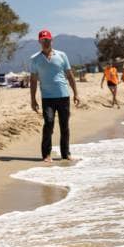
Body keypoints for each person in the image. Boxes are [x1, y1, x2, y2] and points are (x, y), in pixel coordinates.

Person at [29, 29, 80, 162]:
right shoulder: (35, 59)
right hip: (47, 98)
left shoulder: (62, 55)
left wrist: (76, 93)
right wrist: (33, 99)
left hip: (63, 96)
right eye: (43, 40)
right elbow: (33, 80)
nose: (45, 42)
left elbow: (70, 75)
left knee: (64, 125)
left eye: (47, 40)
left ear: (52, 40)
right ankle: (46, 154)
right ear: (39, 42)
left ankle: (66, 154)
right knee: (49, 123)